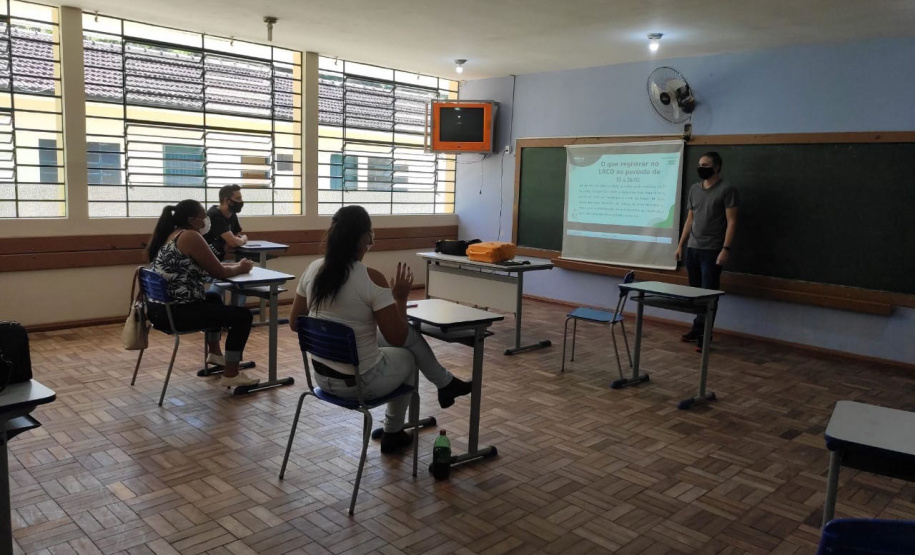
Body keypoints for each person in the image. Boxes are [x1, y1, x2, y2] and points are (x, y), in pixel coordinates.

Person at [288, 205, 473, 454]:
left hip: (320, 378)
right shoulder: (371, 278)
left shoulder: (312, 269)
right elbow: (397, 335)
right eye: (370, 238)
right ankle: (394, 431)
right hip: (359, 385)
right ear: (365, 238)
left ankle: (445, 384)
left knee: (404, 339)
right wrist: (400, 298)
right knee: (408, 355)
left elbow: (294, 322)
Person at [146, 199, 259, 388]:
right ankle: (231, 373)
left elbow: (210, 266)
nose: (207, 219)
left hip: (160, 309)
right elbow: (219, 272)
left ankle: (215, 354)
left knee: (213, 297)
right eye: (203, 216)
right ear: (192, 220)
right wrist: (241, 267)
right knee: (243, 316)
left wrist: (236, 266)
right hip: (177, 313)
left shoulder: (173, 234)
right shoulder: (191, 236)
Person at [675, 152, 738, 353]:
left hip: (712, 251)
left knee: (708, 294)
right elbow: (690, 219)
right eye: (700, 164)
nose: (702, 167)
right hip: (693, 248)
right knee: (695, 293)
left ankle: (705, 335)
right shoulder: (694, 189)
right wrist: (680, 245)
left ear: (717, 167)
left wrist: (725, 249)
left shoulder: (727, 190)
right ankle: (697, 328)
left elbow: (732, 221)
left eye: (706, 164)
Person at [204, 185, 248, 306]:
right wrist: (244, 238)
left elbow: (236, 235)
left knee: (243, 273)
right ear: (227, 200)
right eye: (238, 198)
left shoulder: (232, 214)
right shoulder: (214, 215)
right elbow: (235, 241)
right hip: (204, 264)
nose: (241, 202)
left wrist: (236, 238)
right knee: (223, 275)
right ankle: (211, 308)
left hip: (219, 260)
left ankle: (236, 311)